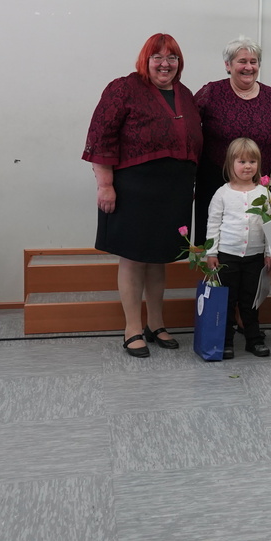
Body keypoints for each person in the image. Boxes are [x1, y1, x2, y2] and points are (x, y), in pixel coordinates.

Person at [82, 33, 202, 358]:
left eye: (172, 57)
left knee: (159, 258)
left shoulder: (185, 94)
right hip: (133, 188)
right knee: (134, 258)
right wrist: (105, 185)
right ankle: (132, 328)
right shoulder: (124, 88)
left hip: (173, 191)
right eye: (157, 57)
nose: (165, 64)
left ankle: (156, 323)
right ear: (145, 60)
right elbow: (101, 136)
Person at [193, 37, 271, 243]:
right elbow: (189, 132)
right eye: (242, 61)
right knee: (215, 244)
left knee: (256, 243)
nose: (248, 67)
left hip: (259, 188)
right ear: (228, 65)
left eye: (253, 62)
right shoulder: (211, 93)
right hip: (214, 185)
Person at [204, 138, 271, 359]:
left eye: (252, 161)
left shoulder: (264, 193)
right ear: (230, 163)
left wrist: (269, 252)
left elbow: (270, 225)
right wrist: (211, 252)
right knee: (227, 299)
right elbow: (213, 224)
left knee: (250, 299)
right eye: (242, 161)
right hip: (227, 256)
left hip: (255, 256)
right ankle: (225, 341)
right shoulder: (222, 193)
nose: (247, 166)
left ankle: (253, 339)